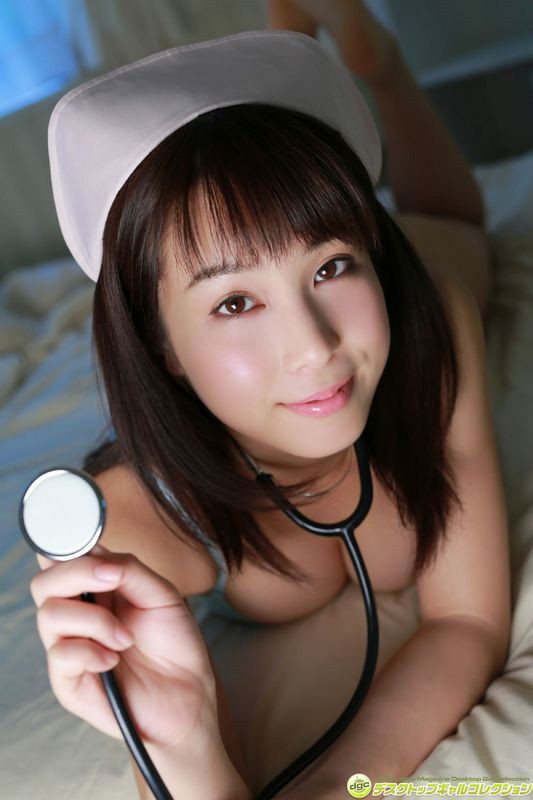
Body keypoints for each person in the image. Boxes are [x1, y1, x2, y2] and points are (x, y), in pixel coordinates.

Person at [29, 1, 511, 798]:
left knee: (454, 226)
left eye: (329, 266)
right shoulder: (128, 529)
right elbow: (171, 742)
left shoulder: (432, 328)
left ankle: (372, 59)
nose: (313, 346)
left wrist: (335, 785)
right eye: (233, 303)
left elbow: (468, 622)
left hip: (424, 268)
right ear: (160, 343)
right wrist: (190, 750)